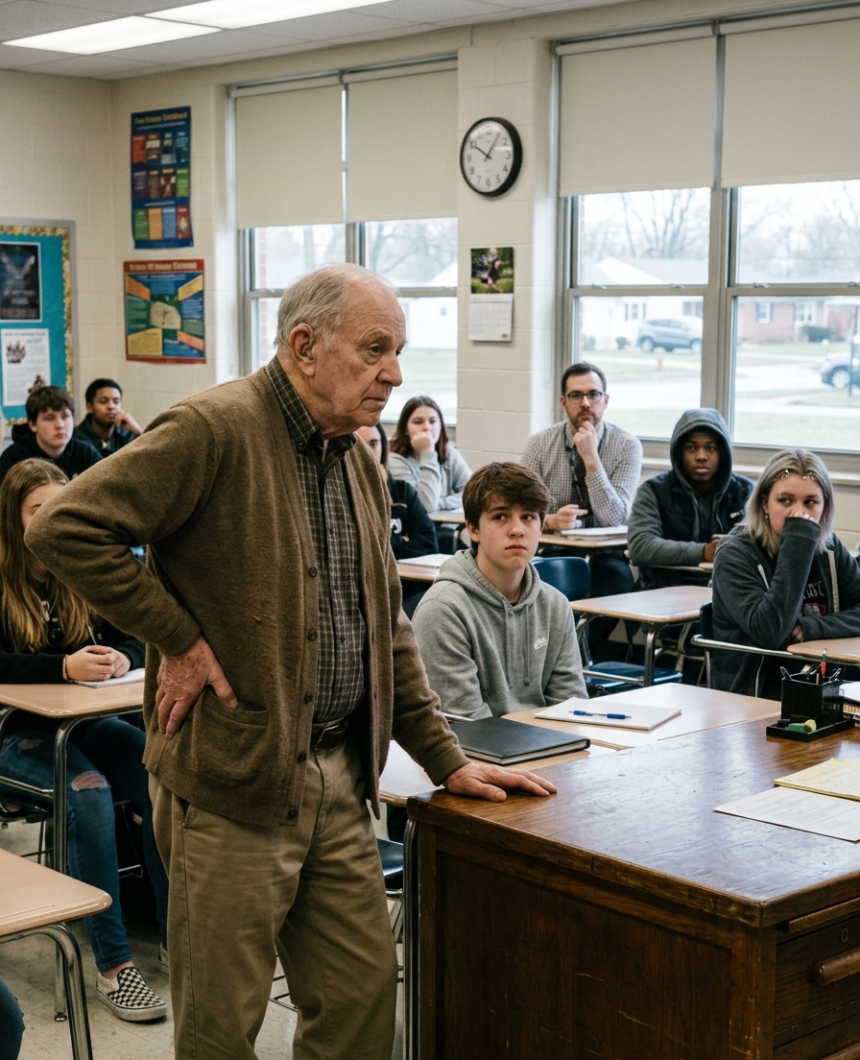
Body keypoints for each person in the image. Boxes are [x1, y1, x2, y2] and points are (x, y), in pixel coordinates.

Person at [25, 263, 555, 1060]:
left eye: (400, 350)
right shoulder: (213, 429)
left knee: (360, 1005)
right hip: (233, 784)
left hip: (341, 776)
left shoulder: (358, 465)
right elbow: (62, 528)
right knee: (220, 1029)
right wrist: (177, 636)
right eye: (376, 349)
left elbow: (389, 631)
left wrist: (445, 761)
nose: (396, 373)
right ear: (304, 346)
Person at [0, 459, 167, 1022]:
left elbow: (144, 633)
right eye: (37, 511)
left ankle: (176, 935)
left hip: (81, 723)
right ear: (13, 519)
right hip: (13, 734)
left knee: (160, 777)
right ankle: (114, 967)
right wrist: (62, 668)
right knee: (89, 793)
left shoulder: (84, 567)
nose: (52, 520)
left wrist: (126, 656)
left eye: (61, 507)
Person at [413, 462, 587, 719]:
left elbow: (571, 709)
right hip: (475, 753)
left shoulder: (555, 605)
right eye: (500, 516)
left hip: (551, 748)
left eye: (528, 517)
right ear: (473, 529)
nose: (517, 530)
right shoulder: (442, 610)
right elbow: (466, 723)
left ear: (541, 527)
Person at [711, 449, 860, 700]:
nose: (798, 513)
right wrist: (798, 543)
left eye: (810, 502)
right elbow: (770, 631)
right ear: (764, 503)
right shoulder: (734, 553)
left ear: (825, 507)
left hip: (828, 685)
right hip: (756, 692)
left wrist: (814, 626)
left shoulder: (830, 548)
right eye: (786, 500)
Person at [522, 361, 642, 659]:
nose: (585, 403)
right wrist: (549, 521)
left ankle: (584, 659)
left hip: (605, 555)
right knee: (541, 584)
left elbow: (616, 517)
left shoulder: (627, 445)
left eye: (593, 394)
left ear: (606, 400)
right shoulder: (540, 444)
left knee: (617, 580)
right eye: (576, 396)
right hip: (550, 552)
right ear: (564, 402)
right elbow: (521, 509)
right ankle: (561, 659)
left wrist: (591, 458)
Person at [628, 409, 753, 588]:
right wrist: (703, 552)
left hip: (728, 593)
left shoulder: (745, 491)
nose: (701, 456)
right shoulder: (653, 491)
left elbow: (759, 543)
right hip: (662, 592)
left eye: (711, 448)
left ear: (722, 453)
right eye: (691, 448)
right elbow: (640, 546)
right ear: (679, 452)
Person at [355, 423, 438, 561]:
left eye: (374, 444)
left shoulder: (403, 491)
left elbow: (428, 544)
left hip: (406, 579)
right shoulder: (339, 495)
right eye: (358, 445)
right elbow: (367, 549)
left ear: (384, 447)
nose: (368, 452)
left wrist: (394, 545)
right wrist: (402, 540)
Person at [388, 395, 472, 513]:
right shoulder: (395, 460)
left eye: (433, 421)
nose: (427, 427)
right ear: (406, 429)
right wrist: (428, 452)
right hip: (415, 530)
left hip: (447, 526)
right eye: (418, 422)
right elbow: (425, 505)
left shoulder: (449, 452)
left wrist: (440, 503)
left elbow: (474, 494)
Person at [0, 387, 101, 485]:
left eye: (65, 416)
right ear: (33, 425)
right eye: (49, 418)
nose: (60, 425)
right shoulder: (14, 459)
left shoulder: (86, 453)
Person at [75, 378, 143, 455]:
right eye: (103, 401)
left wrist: (138, 431)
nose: (111, 406)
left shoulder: (127, 436)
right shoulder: (76, 438)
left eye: (116, 402)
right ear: (89, 407)